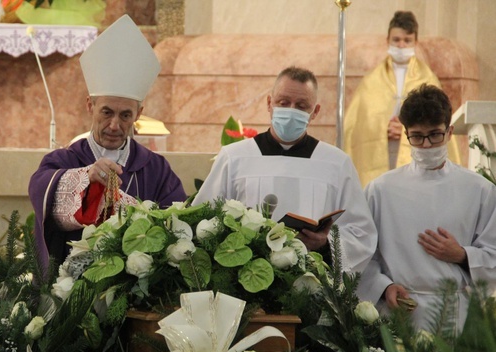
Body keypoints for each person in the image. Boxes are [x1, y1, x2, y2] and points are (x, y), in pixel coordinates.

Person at [29, 15, 187, 276]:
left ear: (138, 113)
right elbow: (39, 189)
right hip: (72, 291)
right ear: (90, 106)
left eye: (125, 115)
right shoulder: (65, 160)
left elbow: (177, 226)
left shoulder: (156, 169)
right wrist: (85, 177)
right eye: (106, 112)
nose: (114, 125)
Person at [193, 66, 377, 275]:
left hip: (311, 283)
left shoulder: (336, 164)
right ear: (269, 104)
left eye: (301, 105)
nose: (291, 110)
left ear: (314, 112)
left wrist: (325, 244)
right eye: (283, 102)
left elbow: (361, 234)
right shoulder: (234, 157)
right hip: (245, 280)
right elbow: (204, 220)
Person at [358, 84, 496, 331]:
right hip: (397, 307)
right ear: (406, 134)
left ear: (449, 131)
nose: (426, 145)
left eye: (435, 135)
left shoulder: (479, 190)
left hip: (455, 311)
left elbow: (493, 253)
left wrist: (462, 255)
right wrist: (383, 286)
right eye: (417, 136)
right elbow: (363, 254)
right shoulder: (381, 189)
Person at [343, 10, 459, 186]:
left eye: (407, 40)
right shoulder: (371, 81)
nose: (401, 45)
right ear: (387, 40)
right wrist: (382, 128)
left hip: (415, 149)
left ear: (415, 42)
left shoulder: (427, 78)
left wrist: (405, 133)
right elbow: (357, 125)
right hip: (381, 152)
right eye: (396, 40)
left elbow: (438, 119)